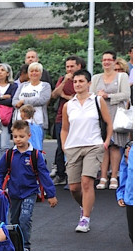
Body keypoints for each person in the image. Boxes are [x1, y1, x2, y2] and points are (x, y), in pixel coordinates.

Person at [0, 120, 58, 251]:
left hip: (30, 192)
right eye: (15, 136)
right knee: (15, 221)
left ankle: (25, 246)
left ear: (29, 136)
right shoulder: (9, 154)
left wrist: (51, 194)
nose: (18, 139)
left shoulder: (35, 155)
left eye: (21, 136)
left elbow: (44, 175)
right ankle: (16, 246)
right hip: (14, 192)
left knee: (25, 218)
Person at [61, 69, 113, 233]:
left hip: (93, 145)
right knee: (74, 188)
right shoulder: (68, 105)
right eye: (75, 81)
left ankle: (85, 219)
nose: (77, 84)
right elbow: (64, 129)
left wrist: (105, 142)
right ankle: (84, 207)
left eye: (81, 81)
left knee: (86, 182)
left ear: (89, 83)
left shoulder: (97, 101)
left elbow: (109, 123)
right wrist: (64, 145)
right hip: (72, 147)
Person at [91, 50, 131, 190]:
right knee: (103, 146)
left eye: (109, 60)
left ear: (114, 61)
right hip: (100, 115)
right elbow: (91, 94)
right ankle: (103, 176)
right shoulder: (96, 78)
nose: (106, 62)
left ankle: (114, 176)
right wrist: (98, 95)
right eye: (104, 60)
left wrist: (108, 95)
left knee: (115, 147)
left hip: (117, 115)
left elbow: (126, 94)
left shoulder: (122, 76)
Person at [50, 56, 85, 186]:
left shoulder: (83, 80)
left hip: (78, 118)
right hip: (61, 117)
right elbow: (54, 95)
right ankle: (61, 174)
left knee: (77, 147)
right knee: (61, 146)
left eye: (72, 66)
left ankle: (75, 175)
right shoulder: (62, 79)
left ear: (79, 66)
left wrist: (68, 96)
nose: (69, 69)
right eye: (67, 66)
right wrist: (64, 82)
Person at [12, 62, 51, 145]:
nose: (34, 73)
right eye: (31, 71)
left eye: (36, 71)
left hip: (37, 122)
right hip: (20, 122)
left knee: (36, 148)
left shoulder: (45, 86)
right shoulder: (22, 85)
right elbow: (14, 101)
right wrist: (18, 103)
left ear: (41, 73)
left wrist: (23, 102)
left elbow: (42, 100)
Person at [116, 143, 133, 251]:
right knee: (132, 233)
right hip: (131, 197)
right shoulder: (130, 149)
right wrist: (121, 192)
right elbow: (125, 170)